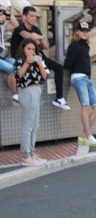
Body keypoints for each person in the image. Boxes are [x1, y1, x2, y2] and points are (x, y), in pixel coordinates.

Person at [10, 6, 70, 110]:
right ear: (24, 17)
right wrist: (35, 37)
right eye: (31, 16)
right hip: (20, 57)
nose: (34, 18)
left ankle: (59, 99)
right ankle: (18, 93)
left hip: (36, 56)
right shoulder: (19, 28)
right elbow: (28, 36)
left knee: (59, 68)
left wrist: (40, 38)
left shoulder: (36, 29)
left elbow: (45, 46)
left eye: (35, 16)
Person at [64, 21, 96, 147]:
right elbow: (68, 63)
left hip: (86, 77)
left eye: (86, 31)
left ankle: (84, 136)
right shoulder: (74, 46)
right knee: (85, 106)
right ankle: (89, 135)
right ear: (77, 32)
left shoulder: (85, 46)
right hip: (78, 76)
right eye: (82, 31)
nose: (85, 33)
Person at [13, 38, 48, 166]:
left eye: (33, 49)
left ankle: (32, 152)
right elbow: (18, 75)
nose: (31, 52)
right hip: (27, 91)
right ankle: (26, 154)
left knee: (35, 124)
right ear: (23, 49)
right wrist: (27, 63)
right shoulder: (19, 61)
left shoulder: (37, 61)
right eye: (28, 49)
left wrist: (39, 64)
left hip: (37, 90)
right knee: (27, 124)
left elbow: (44, 76)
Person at [0, 3, 19, 102]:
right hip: (1, 56)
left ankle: (20, 92)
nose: (2, 15)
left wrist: (8, 12)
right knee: (11, 68)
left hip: (2, 56)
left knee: (20, 65)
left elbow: (15, 24)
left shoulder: (1, 27)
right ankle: (15, 94)